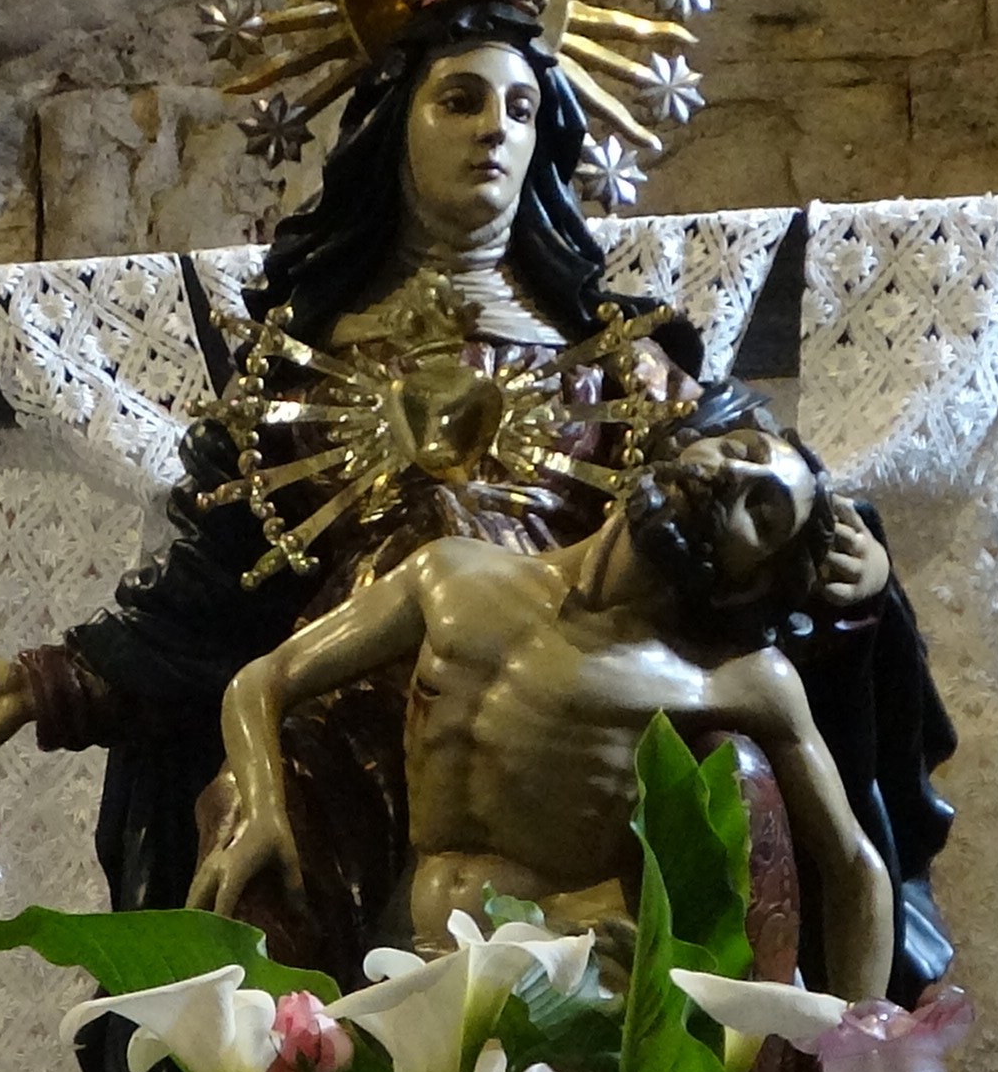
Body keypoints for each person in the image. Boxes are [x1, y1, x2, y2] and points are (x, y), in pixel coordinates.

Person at [0, 0, 958, 1072]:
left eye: (525, 107)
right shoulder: (293, 367)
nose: (495, 136)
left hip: (599, 739)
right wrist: (44, 682)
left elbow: (766, 516)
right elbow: (214, 615)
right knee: (236, 831)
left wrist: (856, 578)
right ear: (393, 126)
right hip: (349, 733)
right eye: (462, 100)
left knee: (734, 793)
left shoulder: (629, 367)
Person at [192, 423, 896, 1005]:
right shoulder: (453, 574)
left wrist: (861, 1058)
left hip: (572, 991)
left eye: (762, 512)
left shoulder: (735, 678)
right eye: (737, 454)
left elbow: (856, 868)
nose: (730, 482)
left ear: (752, 585)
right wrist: (261, 806)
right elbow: (264, 680)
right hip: (401, 959)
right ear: (688, 445)